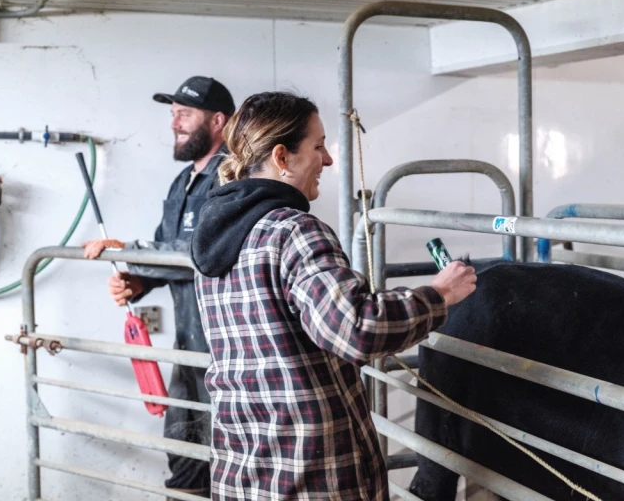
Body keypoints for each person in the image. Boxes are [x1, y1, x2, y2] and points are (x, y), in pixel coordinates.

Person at [190, 91, 477, 500]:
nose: (327, 160)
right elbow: (356, 328)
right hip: (313, 475)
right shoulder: (294, 230)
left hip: (244, 468)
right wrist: (439, 294)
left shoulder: (214, 238)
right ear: (282, 157)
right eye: (319, 146)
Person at [82, 76, 235, 499]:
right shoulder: (183, 181)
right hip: (189, 350)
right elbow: (167, 250)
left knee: (227, 465)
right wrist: (139, 281)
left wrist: (128, 250)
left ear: (218, 121)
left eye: (184, 114)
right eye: (172, 115)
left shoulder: (232, 178)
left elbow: (202, 251)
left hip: (226, 356)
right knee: (184, 460)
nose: (174, 124)